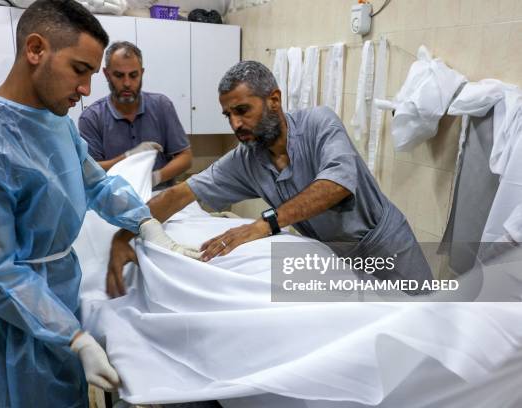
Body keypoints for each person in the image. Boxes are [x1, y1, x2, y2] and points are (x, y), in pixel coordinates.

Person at [0, 1, 199, 406]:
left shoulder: (56, 122)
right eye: (80, 70)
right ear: (35, 49)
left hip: (58, 300)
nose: (86, 90)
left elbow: (95, 183)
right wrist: (75, 337)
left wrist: (144, 222)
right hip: (2, 323)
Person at [108, 60, 433, 296]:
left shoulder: (319, 124)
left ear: (273, 100)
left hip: (385, 244)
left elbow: (336, 185)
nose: (235, 124)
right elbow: (179, 195)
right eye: (228, 115)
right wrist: (125, 235)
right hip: (334, 259)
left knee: (428, 315)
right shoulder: (246, 160)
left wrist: (263, 225)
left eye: (242, 110)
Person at [79, 41, 192, 189]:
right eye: (119, 75)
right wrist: (127, 157)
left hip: (160, 195)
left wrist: (154, 178)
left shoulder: (162, 106)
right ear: (107, 74)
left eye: (133, 75)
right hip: (114, 199)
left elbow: (185, 158)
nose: (127, 83)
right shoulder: (91, 117)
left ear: (142, 73)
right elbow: (90, 172)